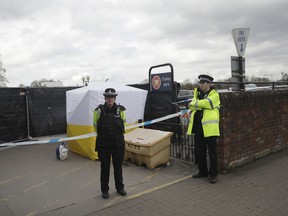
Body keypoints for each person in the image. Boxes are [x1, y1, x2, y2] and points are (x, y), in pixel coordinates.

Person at [93, 88, 127, 199]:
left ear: (115, 98)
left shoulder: (121, 110)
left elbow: (124, 125)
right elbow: (95, 127)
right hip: (104, 144)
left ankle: (120, 188)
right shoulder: (98, 111)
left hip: (117, 144)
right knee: (105, 168)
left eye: (112, 97)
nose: (110, 99)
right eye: (108, 97)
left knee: (118, 167)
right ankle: (104, 190)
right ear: (105, 98)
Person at [187, 75, 220, 184]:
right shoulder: (197, 93)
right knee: (199, 151)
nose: (201, 84)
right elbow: (192, 106)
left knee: (212, 153)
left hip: (210, 128)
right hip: (198, 127)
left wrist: (195, 104)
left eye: (204, 83)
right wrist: (196, 105)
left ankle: (213, 175)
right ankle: (202, 171)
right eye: (200, 82)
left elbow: (208, 103)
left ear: (209, 84)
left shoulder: (215, 95)